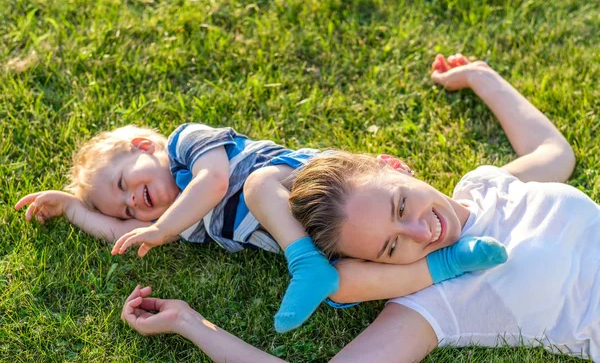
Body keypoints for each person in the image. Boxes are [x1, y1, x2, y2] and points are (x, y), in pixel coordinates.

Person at [120, 53, 597, 363]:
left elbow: (555, 156)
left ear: (395, 166)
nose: (419, 232)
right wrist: (189, 322)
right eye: (392, 247)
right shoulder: (430, 301)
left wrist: (480, 76)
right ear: (373, 265)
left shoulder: (484, 185)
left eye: (400, 204)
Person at [14, 107, 505, 332]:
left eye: (126, 183)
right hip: (321, 234)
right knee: (342, 284)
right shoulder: (181, 221)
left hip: (305, 186)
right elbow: (126, 235)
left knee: (255, 186)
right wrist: (74, 209)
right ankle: (449, 263)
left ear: (145, 148)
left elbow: (213, 182)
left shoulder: (187, 146)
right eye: (125, 206)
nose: (135, 204)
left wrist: (163, 228)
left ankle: (304, 264)